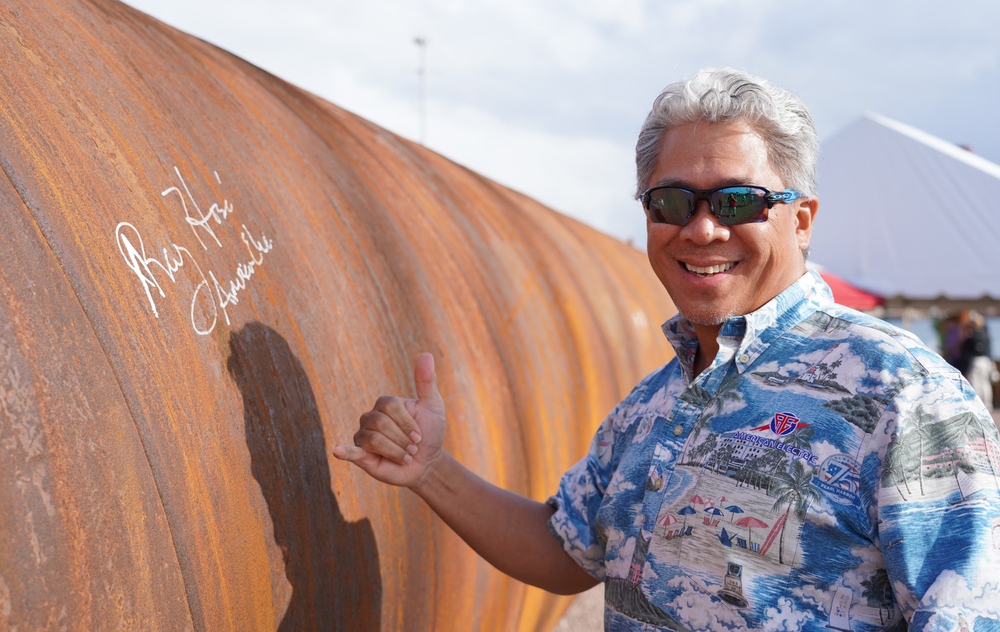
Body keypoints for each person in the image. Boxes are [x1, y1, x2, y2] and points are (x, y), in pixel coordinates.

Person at [334, 68, 1000, 630]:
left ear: (800, 220)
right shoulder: (654, 404)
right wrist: (430, 469)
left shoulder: (903, 393)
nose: (703, 228)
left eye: (739, 201)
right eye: (673, 200)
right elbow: (565, 549)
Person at [960, 311, 998, 410]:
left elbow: (966, 347)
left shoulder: (975, 335)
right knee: (985, 382)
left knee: (976, 382)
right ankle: (987, 405)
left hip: (977, 361)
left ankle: (979, 405)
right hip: (986, 361)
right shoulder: (986, 334)